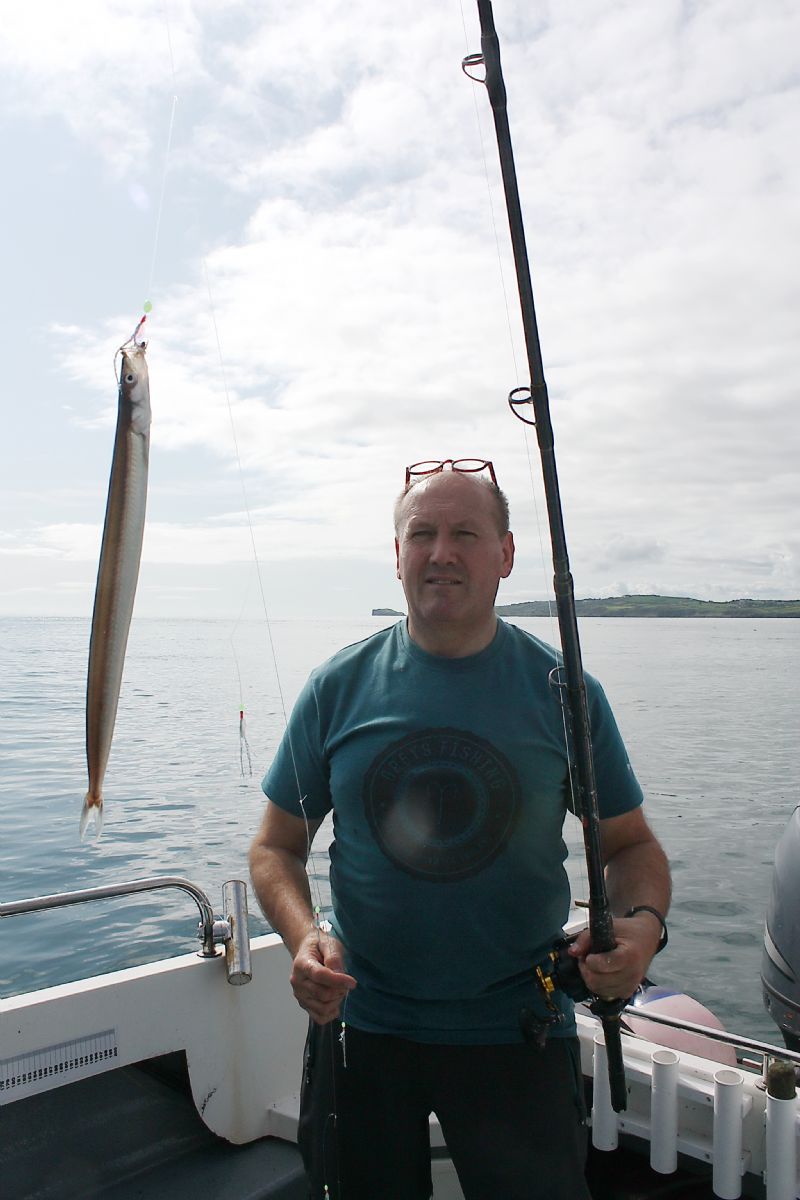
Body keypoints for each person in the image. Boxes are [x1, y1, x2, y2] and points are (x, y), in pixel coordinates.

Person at [249, 459, 671, 1200]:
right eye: (422, 534)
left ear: (505, 554)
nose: (440, 553)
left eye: (465, 534)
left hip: (519, 1028)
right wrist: (304, 935)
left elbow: (630, 845)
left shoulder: (565, 693)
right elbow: (276, 848)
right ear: (398, 554)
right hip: (360, 1026)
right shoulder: (336, 688)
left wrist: (641, 929)